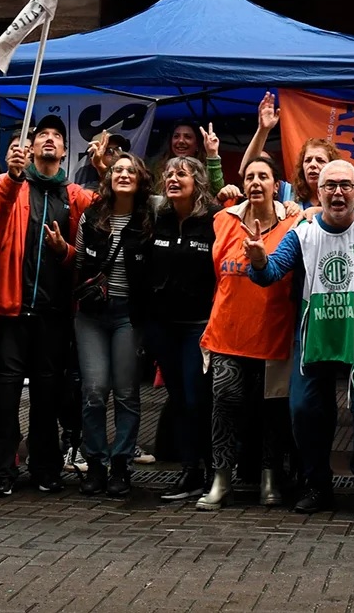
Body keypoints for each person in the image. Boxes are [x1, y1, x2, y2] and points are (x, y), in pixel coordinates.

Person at [246, 159, 354, 522]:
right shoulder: (302, 233)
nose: (338, 192)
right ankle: (317, 485)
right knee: (303, 412)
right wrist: (257, 259)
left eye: (346, 185)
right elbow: (270, 273)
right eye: (330, 185)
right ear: (319, 192)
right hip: (313, 337)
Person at [0, 115, 96, 496]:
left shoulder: (75, 195)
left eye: (56, 136)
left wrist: (64, 251)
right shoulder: (8, 182)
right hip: (10, 309)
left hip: (53, 313)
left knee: (48, 395)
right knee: (4, 393)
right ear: (30, 147)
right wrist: (13, 179)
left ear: (65, 151)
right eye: (42, 135)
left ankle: (46, 469)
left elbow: (89, 246)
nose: (49, 139)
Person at [198, 156, 300, 510]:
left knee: (272, 412)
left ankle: (270, 478)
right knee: (225, 405)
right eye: (250, 176)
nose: (256, 182)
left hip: (274, 334)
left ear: (277, 185)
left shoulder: (295, 222)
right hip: (227, 331)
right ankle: (221, 479)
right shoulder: (223, 220)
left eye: (264, 177)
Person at [71, 147, 152, 498]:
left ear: (140, 180)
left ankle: (120, 465)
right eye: (117, 170)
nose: (123, 175)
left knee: (126, 393)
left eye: (130, 171)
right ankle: (96, 464)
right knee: (92, 392)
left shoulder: (151, 215)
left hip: (129, 315)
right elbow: (77, 266)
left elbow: (191, 197)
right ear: (108, 178)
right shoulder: (92, 215)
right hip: (91, 315)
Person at [143, 154, 221, 502]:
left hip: (198, 327)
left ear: (198, 182)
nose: (173, 179)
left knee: (196, 399)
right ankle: (191, 469)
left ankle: (202, 471)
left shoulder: (214, 220)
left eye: (182, 174)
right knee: (177, 398)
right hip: (163, 326)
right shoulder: (157, 218)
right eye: (170, 174)